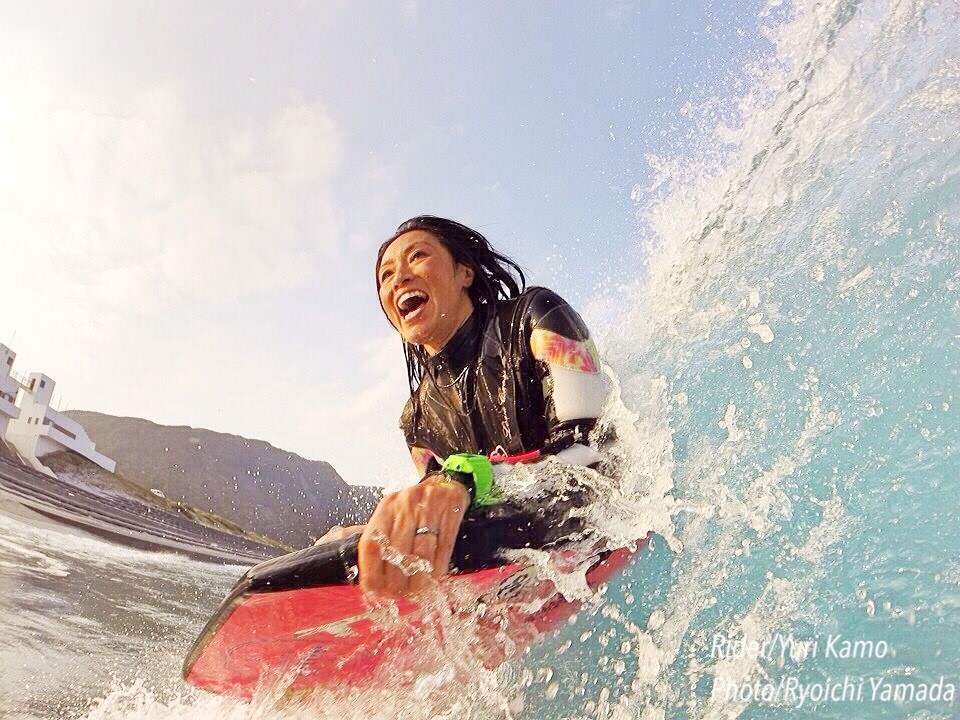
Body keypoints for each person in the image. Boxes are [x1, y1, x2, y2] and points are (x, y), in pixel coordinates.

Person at [318, 216, 609, 598]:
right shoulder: (417, 422)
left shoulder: (537, 320)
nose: (399, 278)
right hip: (521, 557)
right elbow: (450, 513)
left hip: (601, 528)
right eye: (385, 276)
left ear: (464, 272)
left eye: (417, 256)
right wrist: (376, 535)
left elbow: (594, 462)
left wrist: (465, 480)